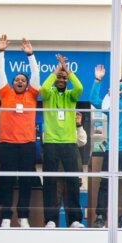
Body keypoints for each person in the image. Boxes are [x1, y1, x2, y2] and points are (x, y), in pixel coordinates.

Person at [0, 35, 40, 228]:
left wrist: (30, 55)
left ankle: (23, 216)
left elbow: (36, 75)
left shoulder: (32, 94)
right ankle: (6, 216)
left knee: (26, 182)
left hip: (27, 145)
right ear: (12, 83)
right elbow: (0, 73)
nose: (20, 81)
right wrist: (1, 52)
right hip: (7, 145)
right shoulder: (5, 93)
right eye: (17, 79)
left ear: (27, 84)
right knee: (6, 181)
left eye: (23, 80)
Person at [90, 63, 122, 229]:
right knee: (105, 183)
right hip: (111, 150)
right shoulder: (110, 105)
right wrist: (98, 80)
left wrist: (118, 87)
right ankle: (100, 216)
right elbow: (92, 99)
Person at [39, 52, 84, 228]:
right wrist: (56, 70)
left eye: (64, 78)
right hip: (51, 142)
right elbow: (43, 88)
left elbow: (79, 87)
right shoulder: (48, 96)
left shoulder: (71, 96)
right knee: (50, 182)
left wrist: (67, 70)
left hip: (69, 143)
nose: (61, 79)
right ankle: (50, 219)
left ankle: (74, 220)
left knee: (73, 182)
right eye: (59, 77)